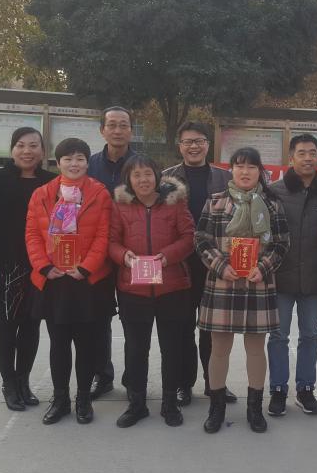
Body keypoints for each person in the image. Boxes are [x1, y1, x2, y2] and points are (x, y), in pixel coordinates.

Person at [195, 148, 290, 434]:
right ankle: (216, 408)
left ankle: (254, 409)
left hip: (257, 284)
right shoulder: (216, 202)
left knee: (256, 350)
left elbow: (281, 243)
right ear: (231, 170)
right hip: (222, 284)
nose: (245, 172)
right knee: (219, 349)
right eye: (239, 166)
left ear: (260, 171)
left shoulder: (271, 204)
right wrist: (220, 266)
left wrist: (264, 267)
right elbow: (201, 239)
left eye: (251, 167)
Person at [25, 137, 114, 425]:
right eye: (68, 158)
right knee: (59, 343)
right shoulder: (42, 194)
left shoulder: (99, 193)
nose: (74, 164)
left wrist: (86, 268)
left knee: (86, 344)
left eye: (80, 158)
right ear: (58, 162)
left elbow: (103, 235)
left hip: (86, 281)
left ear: (88, 163)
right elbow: (32, 234)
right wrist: (44, 266)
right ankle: (60, 398)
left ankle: (83, 399)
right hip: (54, 280)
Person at [0, 127, 56, 411]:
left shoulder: (51, 183)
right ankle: (9, 383)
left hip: (39, 266)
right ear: (12, 149)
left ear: (42, 151)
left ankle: (23, 381)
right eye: (21, 145)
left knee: (32, 325)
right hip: (4, 265)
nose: (27, 151)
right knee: (6, 325)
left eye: (33, 145)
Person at [108, 155, 195, 428]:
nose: (143, 180)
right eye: (136, 175)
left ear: (157, 176)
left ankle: (170, 403)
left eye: (147, 173)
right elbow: (111, 241)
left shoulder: (175, 202)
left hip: (172, 288)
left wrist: (167, 256)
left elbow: (189, 237)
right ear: (128, 180)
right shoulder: (120, 206)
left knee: (172, 348)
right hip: (133, 290)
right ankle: (137, 404)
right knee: (136, 349)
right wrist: (124, 256)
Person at [163, 122, 235, 407]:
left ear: (208, 144)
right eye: (188, 142)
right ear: (179, 145)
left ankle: (214, 382)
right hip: (179, 264)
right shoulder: (166, 178)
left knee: (212, 330)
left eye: (199, 141)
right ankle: (184, 384)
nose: (194, 146)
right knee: (182, 328)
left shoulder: (225, 178)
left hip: (214, 264)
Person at [266, 134, 317, 416]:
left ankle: (305, 389)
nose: (308, 158)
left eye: (312, 153)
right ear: (291, 157)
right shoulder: (274, 192)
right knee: (278, 336)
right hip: (280, 277)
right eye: (302, 153)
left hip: (315, 278)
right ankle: (278, 390)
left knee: (310, 335)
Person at [86, 106, 136, 401]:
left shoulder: (142, 166)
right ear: (102, 130)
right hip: (97, 254)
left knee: (134, 320)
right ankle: (101, 375)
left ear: (131, 130)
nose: (118, 130)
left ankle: (134, 380)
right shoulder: (89, 165)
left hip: (133, 254)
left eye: (123, 125)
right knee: (98, 318)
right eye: (112, 125)